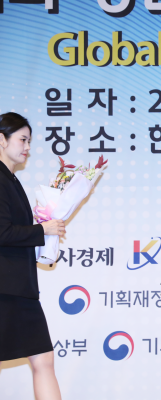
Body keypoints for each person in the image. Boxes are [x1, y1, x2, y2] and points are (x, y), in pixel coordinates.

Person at [0, 113, 65, 400]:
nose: (27, 147)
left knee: (43, 359)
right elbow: (2, 232)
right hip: (5, 289)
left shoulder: (10, 179)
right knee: (42, 360)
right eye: (22, 140)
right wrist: (42, 230)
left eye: (29, 141)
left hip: (19, 287)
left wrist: (42, 234)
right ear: (2, 140)